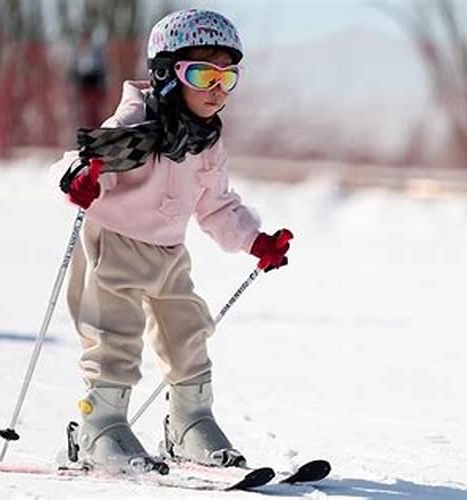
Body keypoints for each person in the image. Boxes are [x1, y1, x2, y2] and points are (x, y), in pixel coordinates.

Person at [49, 9, 292, 473]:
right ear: (164, 73)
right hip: (115, 248)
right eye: (202, 74)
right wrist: (79, 178)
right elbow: (80, 161)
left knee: (189, 332)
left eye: (227, 76)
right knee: (114, 340)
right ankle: (99, 426)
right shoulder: (136, 122)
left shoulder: (206, 140)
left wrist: (255, 241)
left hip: (168, 255)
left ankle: (190, 422)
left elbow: (217, 206)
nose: (216, 88)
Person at [69, 29, 107, 127]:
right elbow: (74, 68)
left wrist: (102, 82)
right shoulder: (78, 51)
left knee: (94, 108)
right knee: (84, 109)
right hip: (83, 82)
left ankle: (95, 127)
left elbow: (101, 67)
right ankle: (85, 127)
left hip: (94, 81)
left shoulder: (96, 50)